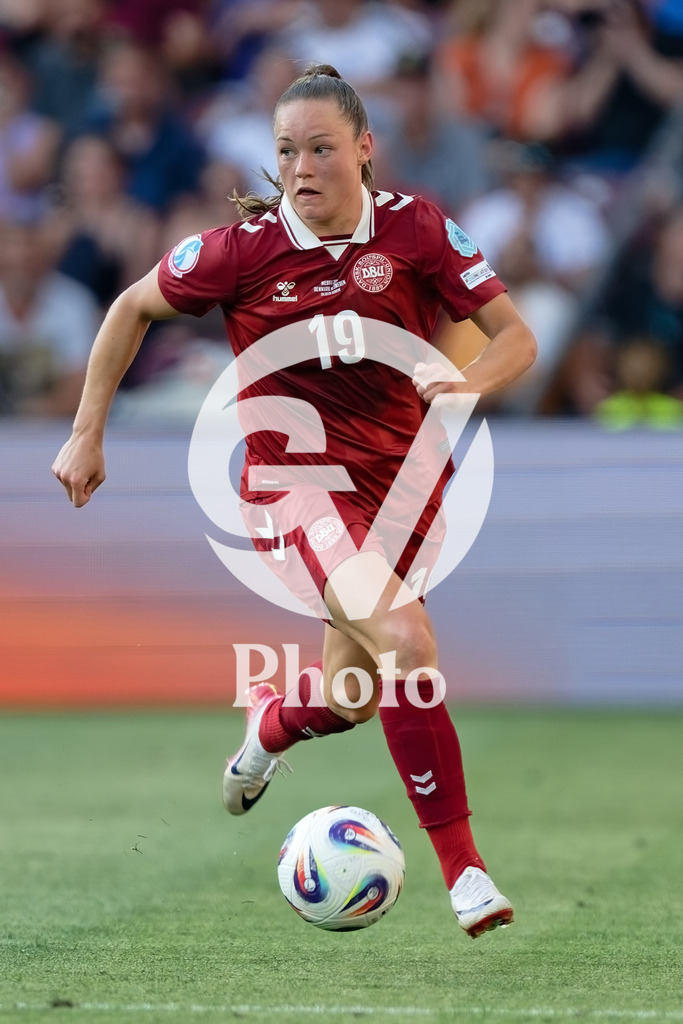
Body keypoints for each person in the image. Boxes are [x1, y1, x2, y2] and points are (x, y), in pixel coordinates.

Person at [52, 64, 537, 937]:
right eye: (285, 151)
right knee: (404, 638)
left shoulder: (418, 230)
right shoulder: (241, 252)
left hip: (400, 498)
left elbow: (516, 339)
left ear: (363, 149)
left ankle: (272, 726)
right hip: (293, 489)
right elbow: (129, 308)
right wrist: (88, 431)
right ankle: (465, 873)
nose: (301, 166)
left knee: (353, 696)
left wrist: (461, 383)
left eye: (320, 147)